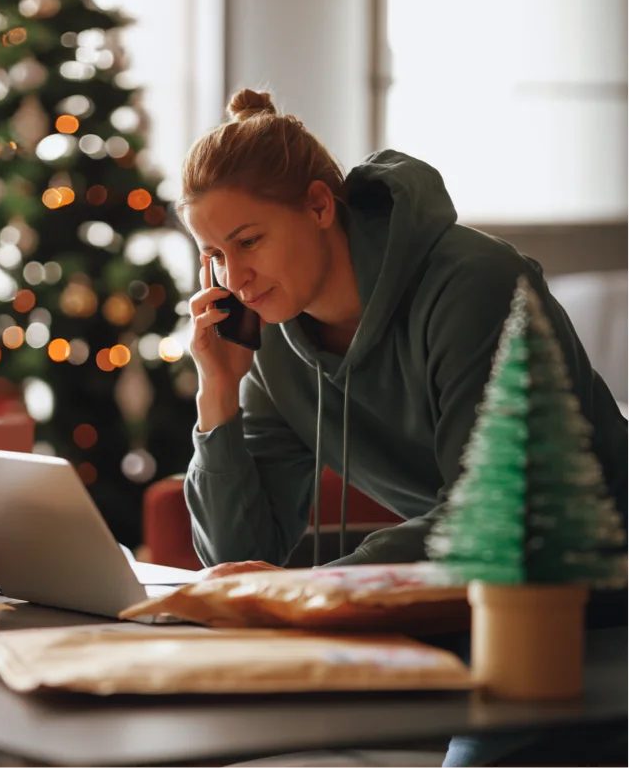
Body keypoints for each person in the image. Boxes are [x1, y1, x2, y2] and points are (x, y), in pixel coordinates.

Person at [181, 88, 629, 767]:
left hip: (584, 609)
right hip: (458, 606)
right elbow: (242, 550)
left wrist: (321, 588)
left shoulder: (475, 285)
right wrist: (217, 391)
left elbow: (493, 515)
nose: (233, 279)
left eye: (247, 242)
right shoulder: (274, 340)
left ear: (319, 205)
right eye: (213, 254)